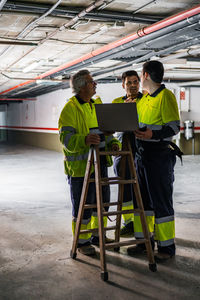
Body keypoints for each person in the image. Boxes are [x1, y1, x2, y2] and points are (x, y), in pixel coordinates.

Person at [58, 69, 120, 256]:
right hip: (80, 169)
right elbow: (66, 139)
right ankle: (81, 241)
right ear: (81, 86)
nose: (95, 85)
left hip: (100, 164)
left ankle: (96, 235)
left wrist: (114, 143)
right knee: (82, 206)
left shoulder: (97, 106)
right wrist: (84, 140)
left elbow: (105, 134)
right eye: (92, 82)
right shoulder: (70, 109)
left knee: (101, 204)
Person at [127, 60, 181, 261]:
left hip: (159, 156)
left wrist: (152, 134)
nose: (140, 80)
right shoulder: (143, 99)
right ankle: (143, 242)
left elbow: (174, 127)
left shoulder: (166, 96)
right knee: (142, 202)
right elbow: (137, 123)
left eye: (140, 76)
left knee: (161, 202)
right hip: (141, 157)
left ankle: (166, 248)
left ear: (145, 75)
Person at [112, 70, 143, 236]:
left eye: (135, 82)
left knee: (141, 187)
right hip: (122, 151)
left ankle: (141, 224)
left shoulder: (145, 100)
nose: (132, 85)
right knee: (124, 188)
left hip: (141, 150)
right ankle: (128, 222)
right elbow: (112, 126)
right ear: (123, 85)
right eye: (129, 82)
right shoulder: (117, 102)